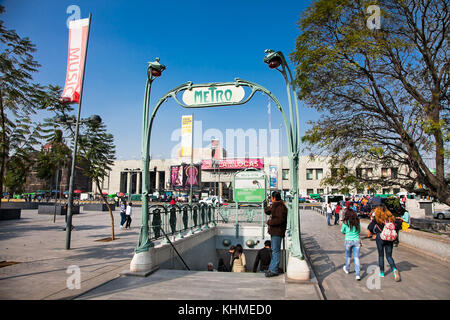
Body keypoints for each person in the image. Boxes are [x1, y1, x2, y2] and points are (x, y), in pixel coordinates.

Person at [368, 204, 401, 282]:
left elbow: (370, 227)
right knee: (389, 256)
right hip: (389, 238)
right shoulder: (391, 218)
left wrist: (374, 232)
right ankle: (394, 269)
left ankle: (382, 272)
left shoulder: (377, 219)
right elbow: (399, 225)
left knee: (381, 255)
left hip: (380, 237)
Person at [264, 191, 288, 277]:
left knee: (275, 251)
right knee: (274, 250)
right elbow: (266, 211)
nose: (271, 199)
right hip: (275, 231)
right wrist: (268, 204)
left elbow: (279, 220)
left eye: (271, 197)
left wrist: (269, 222)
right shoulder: (276, 205)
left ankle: (274, 270)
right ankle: (272, 269)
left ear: (274, 198)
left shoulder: (280, 207)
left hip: (277, 231)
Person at [341, 208, 361, 280]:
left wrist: (346, 233)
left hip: (348, 240)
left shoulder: (345, 222)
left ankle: (347, 268)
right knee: (356, 257)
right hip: (356, 241)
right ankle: (357, 274)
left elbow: (342, 231)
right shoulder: (357, 222)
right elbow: (359, 231)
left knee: (348, 256)